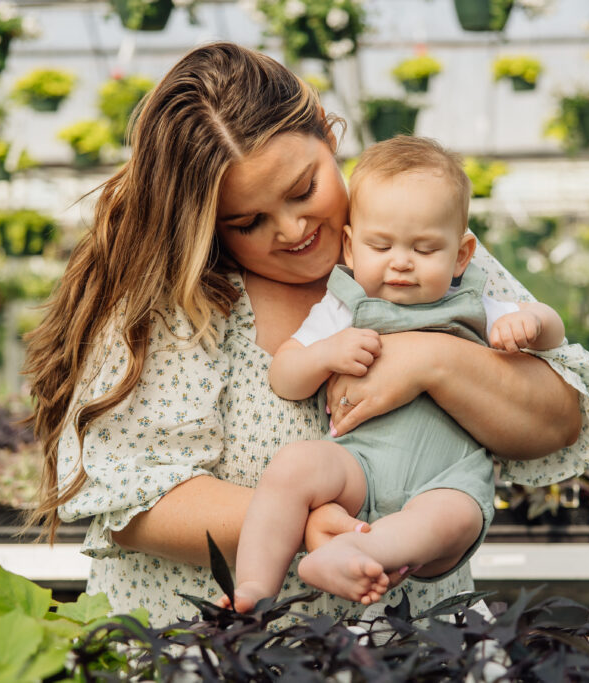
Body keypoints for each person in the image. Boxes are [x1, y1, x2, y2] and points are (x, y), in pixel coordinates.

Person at [22, 42, 589, 625]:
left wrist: (430, 359)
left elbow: (558, 417)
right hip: (219, 654)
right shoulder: (178, 302)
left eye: (304, 188)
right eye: (248, 220)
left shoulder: (414, 242)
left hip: (406, 651)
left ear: (330, 140)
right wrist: (300, 523)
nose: (292, 229)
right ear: (204, 221)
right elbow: (137, 499)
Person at [225, 136, 567, 612]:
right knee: (293, 468)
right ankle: (253, 588)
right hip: (359, 464)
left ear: (462, 255)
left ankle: (358, 551)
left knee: (452, 519)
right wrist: (326, 353)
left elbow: (554, 338)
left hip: (448, 476)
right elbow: (284, 374)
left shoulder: (472, 300)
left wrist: (531, 322)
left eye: (425, 249)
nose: (401, 262)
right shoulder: (344, 305)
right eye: (380, 245)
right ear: (350, 246)